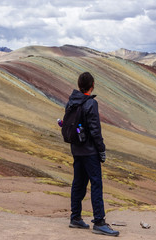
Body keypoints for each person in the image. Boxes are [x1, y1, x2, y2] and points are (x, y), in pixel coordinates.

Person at [65, 72, 119, 237]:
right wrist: (101, 150)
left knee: (78, 182)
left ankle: (75, 218)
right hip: (89, 152)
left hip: (76, 149)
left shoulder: (71, 102)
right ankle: (99, 222)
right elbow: (95, 130)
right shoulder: (91, 104)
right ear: (92, 85)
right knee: (96, 184)